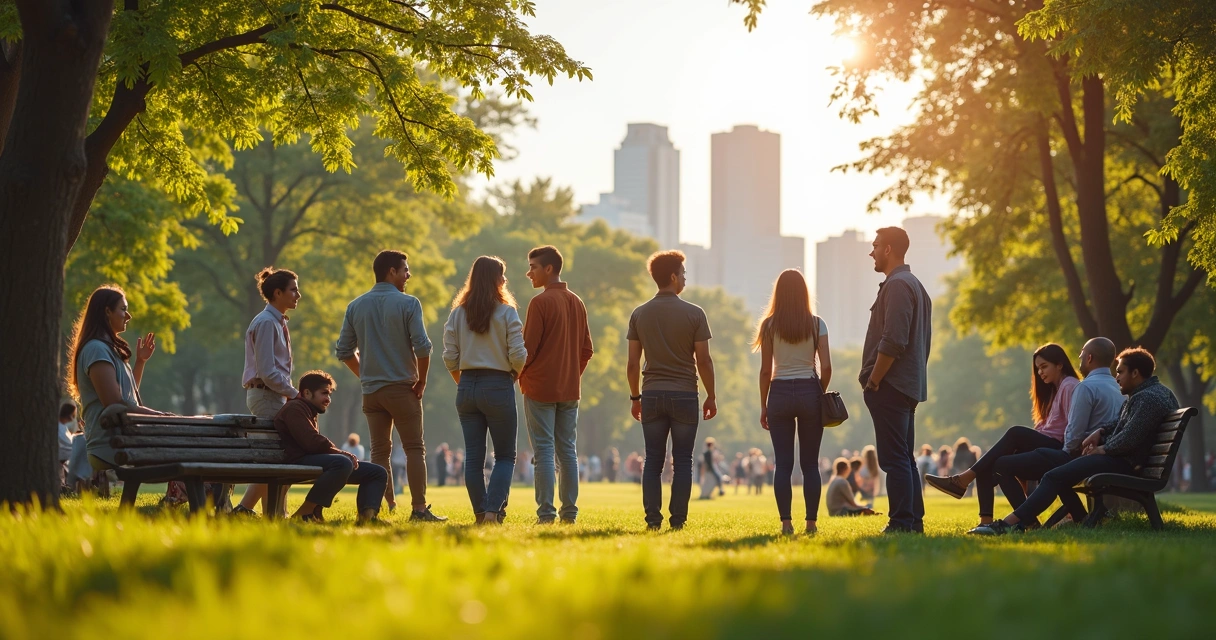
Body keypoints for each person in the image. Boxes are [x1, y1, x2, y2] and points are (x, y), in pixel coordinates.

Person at [971, 347, 1180, 535]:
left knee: (1053, 475)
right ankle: (1074, 518)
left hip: (1123, 463)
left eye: (1120, 372)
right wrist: (1100, 431)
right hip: (1121, 459)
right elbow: (1120, 424)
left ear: (1135, 373)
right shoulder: (1147, 394)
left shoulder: (1147, 398)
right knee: (1056, 471)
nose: (1116, 377)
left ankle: (1008, 524)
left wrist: (1102, 449)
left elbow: (1129, 438)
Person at [337, 250, 445, 521]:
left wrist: (366, 375)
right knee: (414, 448)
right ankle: (419, 509)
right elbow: (423, 347)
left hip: (372, 392)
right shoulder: (409, 304)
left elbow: (344, 351)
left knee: (379, 451)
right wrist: (422, 380)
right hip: (402, 388)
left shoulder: (355, 306)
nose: (408, 275)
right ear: (391, 271)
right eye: (405, 270)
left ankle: (383, 504)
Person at [925, 343, 1081, 525]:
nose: (1040, 372)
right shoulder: (1056, 389)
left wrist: (1067, 451)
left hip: (1057, 448)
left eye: (1044, 367)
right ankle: (987, 522)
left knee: (1015, 433)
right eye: (1038, 368)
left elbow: (1073, 425)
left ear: (1059, 364)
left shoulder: (1069, 386)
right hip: (1046, 444)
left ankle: (963, 479)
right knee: (991, 463)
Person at [626, 250, 717, 530]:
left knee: (653, 460)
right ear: (674, 277)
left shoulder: (639, 314)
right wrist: (711, 395)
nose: (685, 279)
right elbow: (703, 360)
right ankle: (678, 521)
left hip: (652, 394)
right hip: (685, 395)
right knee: (683, 461)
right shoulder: (695, 313)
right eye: (684, 274)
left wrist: (635, 397)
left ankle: (653, 520)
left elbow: (633, 364)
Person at [442, 256, 527, 525]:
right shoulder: (506, 312)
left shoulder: (457, 314)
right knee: (505, 456)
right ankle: (492, 512)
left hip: (467, 385)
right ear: (494, 279)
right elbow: (519, 354)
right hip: (498, 383)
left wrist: (462, 381)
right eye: (502, 275)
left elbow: (449, 357)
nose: (505, 279)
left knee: (473, 458)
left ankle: (480, 514)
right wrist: (513, 375)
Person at [859, 227, 932, 534]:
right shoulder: (914, 285)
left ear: (888, 249)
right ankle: (913, 521)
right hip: (907, 384)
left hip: (892, 384)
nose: (872, 252)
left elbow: (893, 341)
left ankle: (901, 522)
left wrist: (874, 379)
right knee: (904, 457)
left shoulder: (899, 285)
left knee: (893, 459)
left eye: (875, 246)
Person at [518, 245, 594, 524]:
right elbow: (587, 350)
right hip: (569, 390)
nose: (529, 273)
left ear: (549, 269)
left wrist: (520, 375)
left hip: (540, 388)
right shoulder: (577, 302)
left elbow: (527, 350)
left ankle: (546, 513)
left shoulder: (540, 303)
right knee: (567, 451)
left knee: (544, 451)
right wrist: (571, 374)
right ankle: (569, 514)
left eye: (533, 267)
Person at [754, 269, 832, 535]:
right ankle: (811, 524)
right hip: (810, 390)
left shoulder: (769, 326)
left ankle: (786, 523)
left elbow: (765, 371)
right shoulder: (817, 324)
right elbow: (827, 367)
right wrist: (819, 392)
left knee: (783, 464)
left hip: (779, 393)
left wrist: (764, 405)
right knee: (810, 464)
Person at [67, 286, 170, 474]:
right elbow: (115, 403)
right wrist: (158, 416)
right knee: (185, 449)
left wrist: (140, 362)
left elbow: (127, 397)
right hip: (111, 443)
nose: (128, 316)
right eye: (123, 309)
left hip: (126, 437)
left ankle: (194, 488)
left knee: (189, 448)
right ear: (107, 312)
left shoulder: (109, 349)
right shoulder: (96, 349)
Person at [273, 371, 386, 524]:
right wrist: (340, 453)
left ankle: (367, 518)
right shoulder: (294, 409)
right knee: (342, 463)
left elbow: (314, 443)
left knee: (377, 472)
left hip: (310, 459)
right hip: (296, 460)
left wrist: (340, 454)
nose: (328, 399)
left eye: (329, 394)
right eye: (324, 393)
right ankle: (305, 512)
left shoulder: (307, 409)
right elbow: (312, 442)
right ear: (307, 393)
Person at [235, 267, 301, 517]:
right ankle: (254, 510)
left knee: (278, 456)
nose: (298, 295)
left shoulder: (276, 322)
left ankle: (270, 513)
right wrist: (295, 394)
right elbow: (267, 371)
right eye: (293, 290)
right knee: (278, 456)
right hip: (266, 394)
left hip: (273, 395)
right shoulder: (266, 323)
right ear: (277, 293)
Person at [56, 403, 78, 488]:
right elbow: (67, 445)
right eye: (73, 415)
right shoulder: (60, 427)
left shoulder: (62, 426)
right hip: (62, 456)